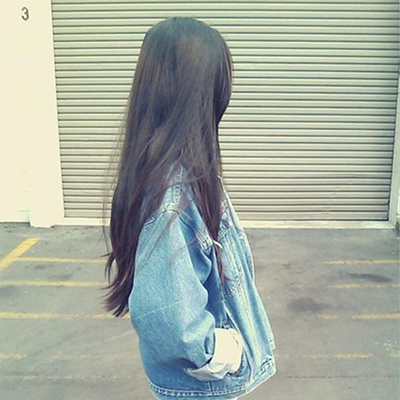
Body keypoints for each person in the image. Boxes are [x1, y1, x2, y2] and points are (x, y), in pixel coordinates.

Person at [102, 17, 277, 400]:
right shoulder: (173, 196)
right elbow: (167, 314)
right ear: (199, 92)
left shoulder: (184, 174)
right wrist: (221, 352)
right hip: (205, 386)